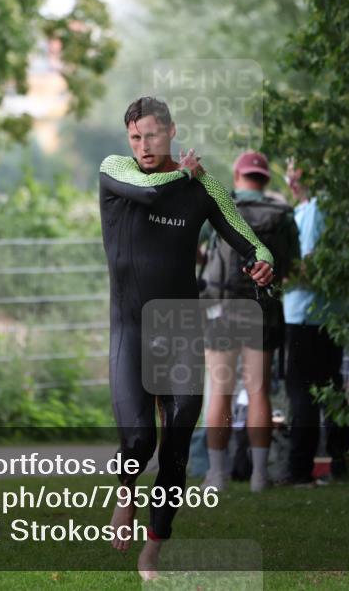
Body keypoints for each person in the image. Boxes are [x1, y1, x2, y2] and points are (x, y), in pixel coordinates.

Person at [99, 97, 275, 580]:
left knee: (175, 445)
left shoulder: (206, 187)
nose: (143, 145)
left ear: (171, 131)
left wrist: (264, 260)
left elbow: (246, 235)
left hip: (179, 327)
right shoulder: (116, 168)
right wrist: (185, 175)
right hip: (130, 328)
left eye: (152, 135)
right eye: (136, 137)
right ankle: (126, 494)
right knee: (138, 441)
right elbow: (153, 193)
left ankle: (155, 544)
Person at [198, 151, 298, 493]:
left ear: (238, 176)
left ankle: (217, 476)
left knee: (221, 392)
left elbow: (197, 253)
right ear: (265, 179)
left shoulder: (221, 206)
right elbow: (292, 267)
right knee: (258, 392)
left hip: (222, 308)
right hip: (263, 308)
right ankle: (258, 476)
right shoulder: (283, 215)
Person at [281, 159, 349, 486]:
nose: (290, 178)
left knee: (302, 392)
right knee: (331, 388)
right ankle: (342, 463)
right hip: (330, 315)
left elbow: (309, 266)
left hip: (305, 314)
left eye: (294, 171)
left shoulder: (313, 211)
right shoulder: (332, 210)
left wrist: (272, 279)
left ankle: (299, 469)